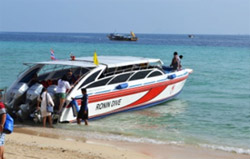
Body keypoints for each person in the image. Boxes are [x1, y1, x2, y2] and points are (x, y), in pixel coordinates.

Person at [0, 92, 6, 159]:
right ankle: (2, 157)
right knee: (1, 142)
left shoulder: (1, 105)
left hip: (0, 126)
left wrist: (2, 124)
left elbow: (4, 114)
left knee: (0, 142)